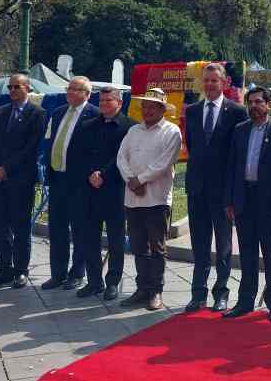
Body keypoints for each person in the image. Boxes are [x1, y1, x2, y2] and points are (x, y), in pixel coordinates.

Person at [223, 87, 271, 323]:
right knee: (247, 254)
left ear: (268, 104)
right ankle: (245, 302)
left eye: (259, 102)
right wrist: (229, 200)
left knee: (270, 254)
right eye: (250, 102)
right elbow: (231, 167)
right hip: (244, 199)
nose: (254, 106)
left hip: (268, 202)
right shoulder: (240, 131)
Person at [183, 63, 247, 313]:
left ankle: (221, 293)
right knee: (199, 244)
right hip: (197, 188)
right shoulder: (193, 111)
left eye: (214, 81)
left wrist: (233, 193)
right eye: (206, 80)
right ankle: (198, 293)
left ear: (223, 83)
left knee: (223, 245)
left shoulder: (236, 112)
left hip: (222, 191)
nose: (209, 85)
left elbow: (237, 154)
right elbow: (193, 146)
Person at [116, 88, 182, 311]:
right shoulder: (134, 130)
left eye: (153, 106)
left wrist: (141, 180)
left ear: (162, 109)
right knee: (138, 246)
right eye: (145, 106)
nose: (148, 110)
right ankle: (142, 288)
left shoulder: (172, 131)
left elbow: (164, 162)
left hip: (157, 198)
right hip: (132, 198)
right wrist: (130, 180)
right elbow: (121, 157)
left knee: (157, 247)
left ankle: (156, 290)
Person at [0, 73, 47, 288]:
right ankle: (4, 268)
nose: (12, 91)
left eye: (16, 87)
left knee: (20, 227)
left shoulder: (37, 113)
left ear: (27, 88)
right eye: (10, 87)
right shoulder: (1, 112)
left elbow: (31, 147)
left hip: (20, 179)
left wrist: (6, 167)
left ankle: (21, 269)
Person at [73, 86, 133, 299]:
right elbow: (79, 154)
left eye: (109, 101)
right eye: (101, 101)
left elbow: (124, 158)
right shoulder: (88, 126)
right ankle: (94, 281)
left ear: (119, 102)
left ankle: (113, 282)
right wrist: (91, 173)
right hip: (90, 190)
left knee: (116, 240)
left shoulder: (129, 127)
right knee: (90, 238)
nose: (104, 105)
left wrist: (103, 175)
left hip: (115, 190)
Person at [43, 76, 99, 291]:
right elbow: (50, 141)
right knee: (56, 229)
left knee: (80, 229)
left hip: (79, 183)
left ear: (86, 93)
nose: (70, 92)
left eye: (76, 89)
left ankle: (77, 273)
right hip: (57, 179)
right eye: (69, 88)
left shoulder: (93, 114)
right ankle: (57, 273)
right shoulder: (58, 113)